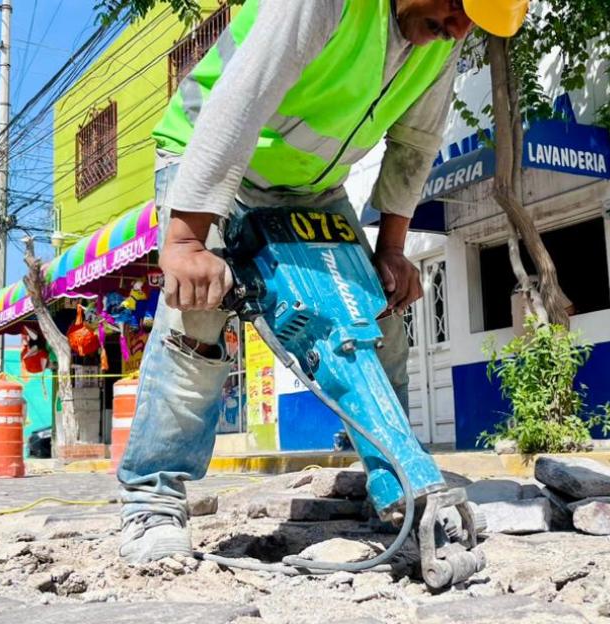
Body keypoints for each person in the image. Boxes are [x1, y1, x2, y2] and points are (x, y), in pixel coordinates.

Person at [118, 0, 530, 564]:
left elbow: (416, 141)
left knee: (375, 321)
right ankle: (152, 502)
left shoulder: (441, 37)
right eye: (459, 7)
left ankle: (397, 488)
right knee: (199, 319)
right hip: (212, 155)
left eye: (472, 23)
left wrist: (390, 250)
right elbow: (243, 97)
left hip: (314, 187)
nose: (458, 29)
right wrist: (188, 241)